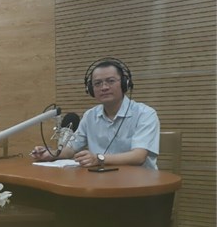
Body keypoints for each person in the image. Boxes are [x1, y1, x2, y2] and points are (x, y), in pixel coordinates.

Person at [31, 58, 160, 169]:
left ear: (124, 83)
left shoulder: (145, 114)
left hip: (138, 183)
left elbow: (138, 157)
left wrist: (99, 158)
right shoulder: (90, 116)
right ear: (91, 89)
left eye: (110, 81)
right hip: (99, 181)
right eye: (97, 83)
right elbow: (71, 149)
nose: (104, 87)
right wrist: (51, 154)